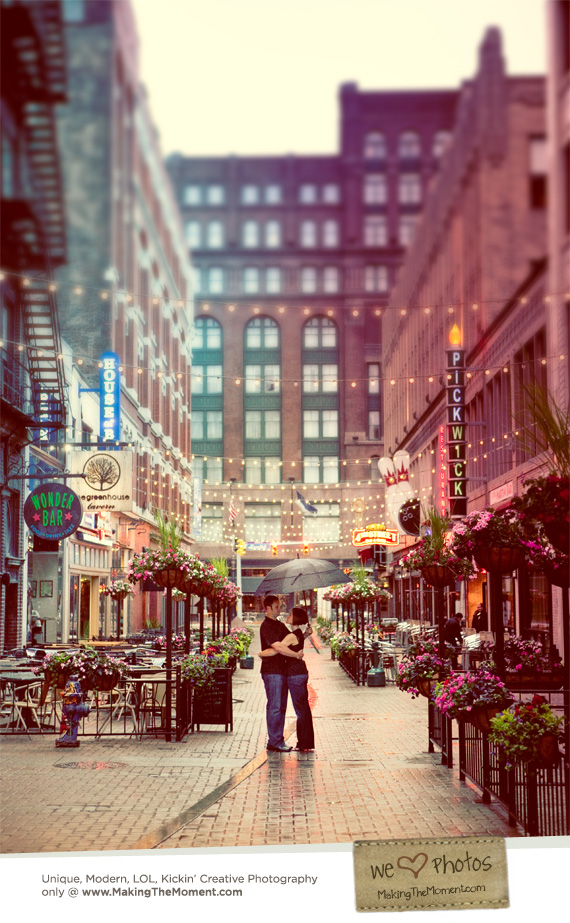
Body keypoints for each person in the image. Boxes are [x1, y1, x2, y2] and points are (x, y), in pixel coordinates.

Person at [259, 606, 315, 752]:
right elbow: (295, 642)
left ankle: (304, 743)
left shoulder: (290, 634)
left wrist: (262, 653)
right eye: (278, 605)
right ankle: (305, 742)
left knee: (300, 710)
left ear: (295, 618)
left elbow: (278, 648)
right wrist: (306, 635)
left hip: (295, 674)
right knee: (302, 709)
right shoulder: (294, 634)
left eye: (291, 614)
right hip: (299, 673)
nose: (287, 614)